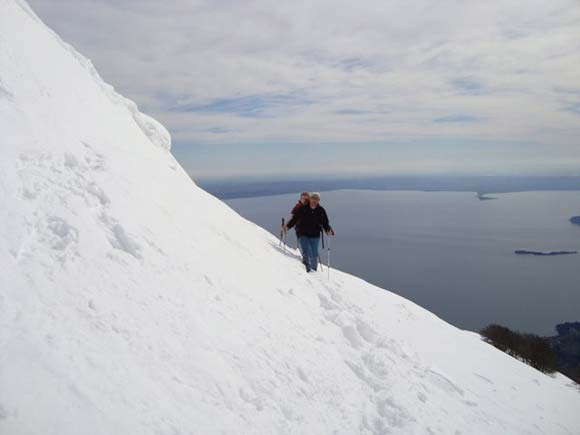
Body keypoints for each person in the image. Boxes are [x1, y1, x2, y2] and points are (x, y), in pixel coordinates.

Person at [284, 192, 334, 272]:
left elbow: (325, 222)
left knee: (314, 253)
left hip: (315, 235)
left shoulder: (321, 210)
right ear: (310, 199)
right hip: (303, 233)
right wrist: (287, 227)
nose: (314, 200)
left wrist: (328, 230)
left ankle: (314, 272)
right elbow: (295, 219)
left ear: (318, 200)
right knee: (306, 250)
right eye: (313, 198)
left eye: (316, 199)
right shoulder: (303, 208)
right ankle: (307, 269)